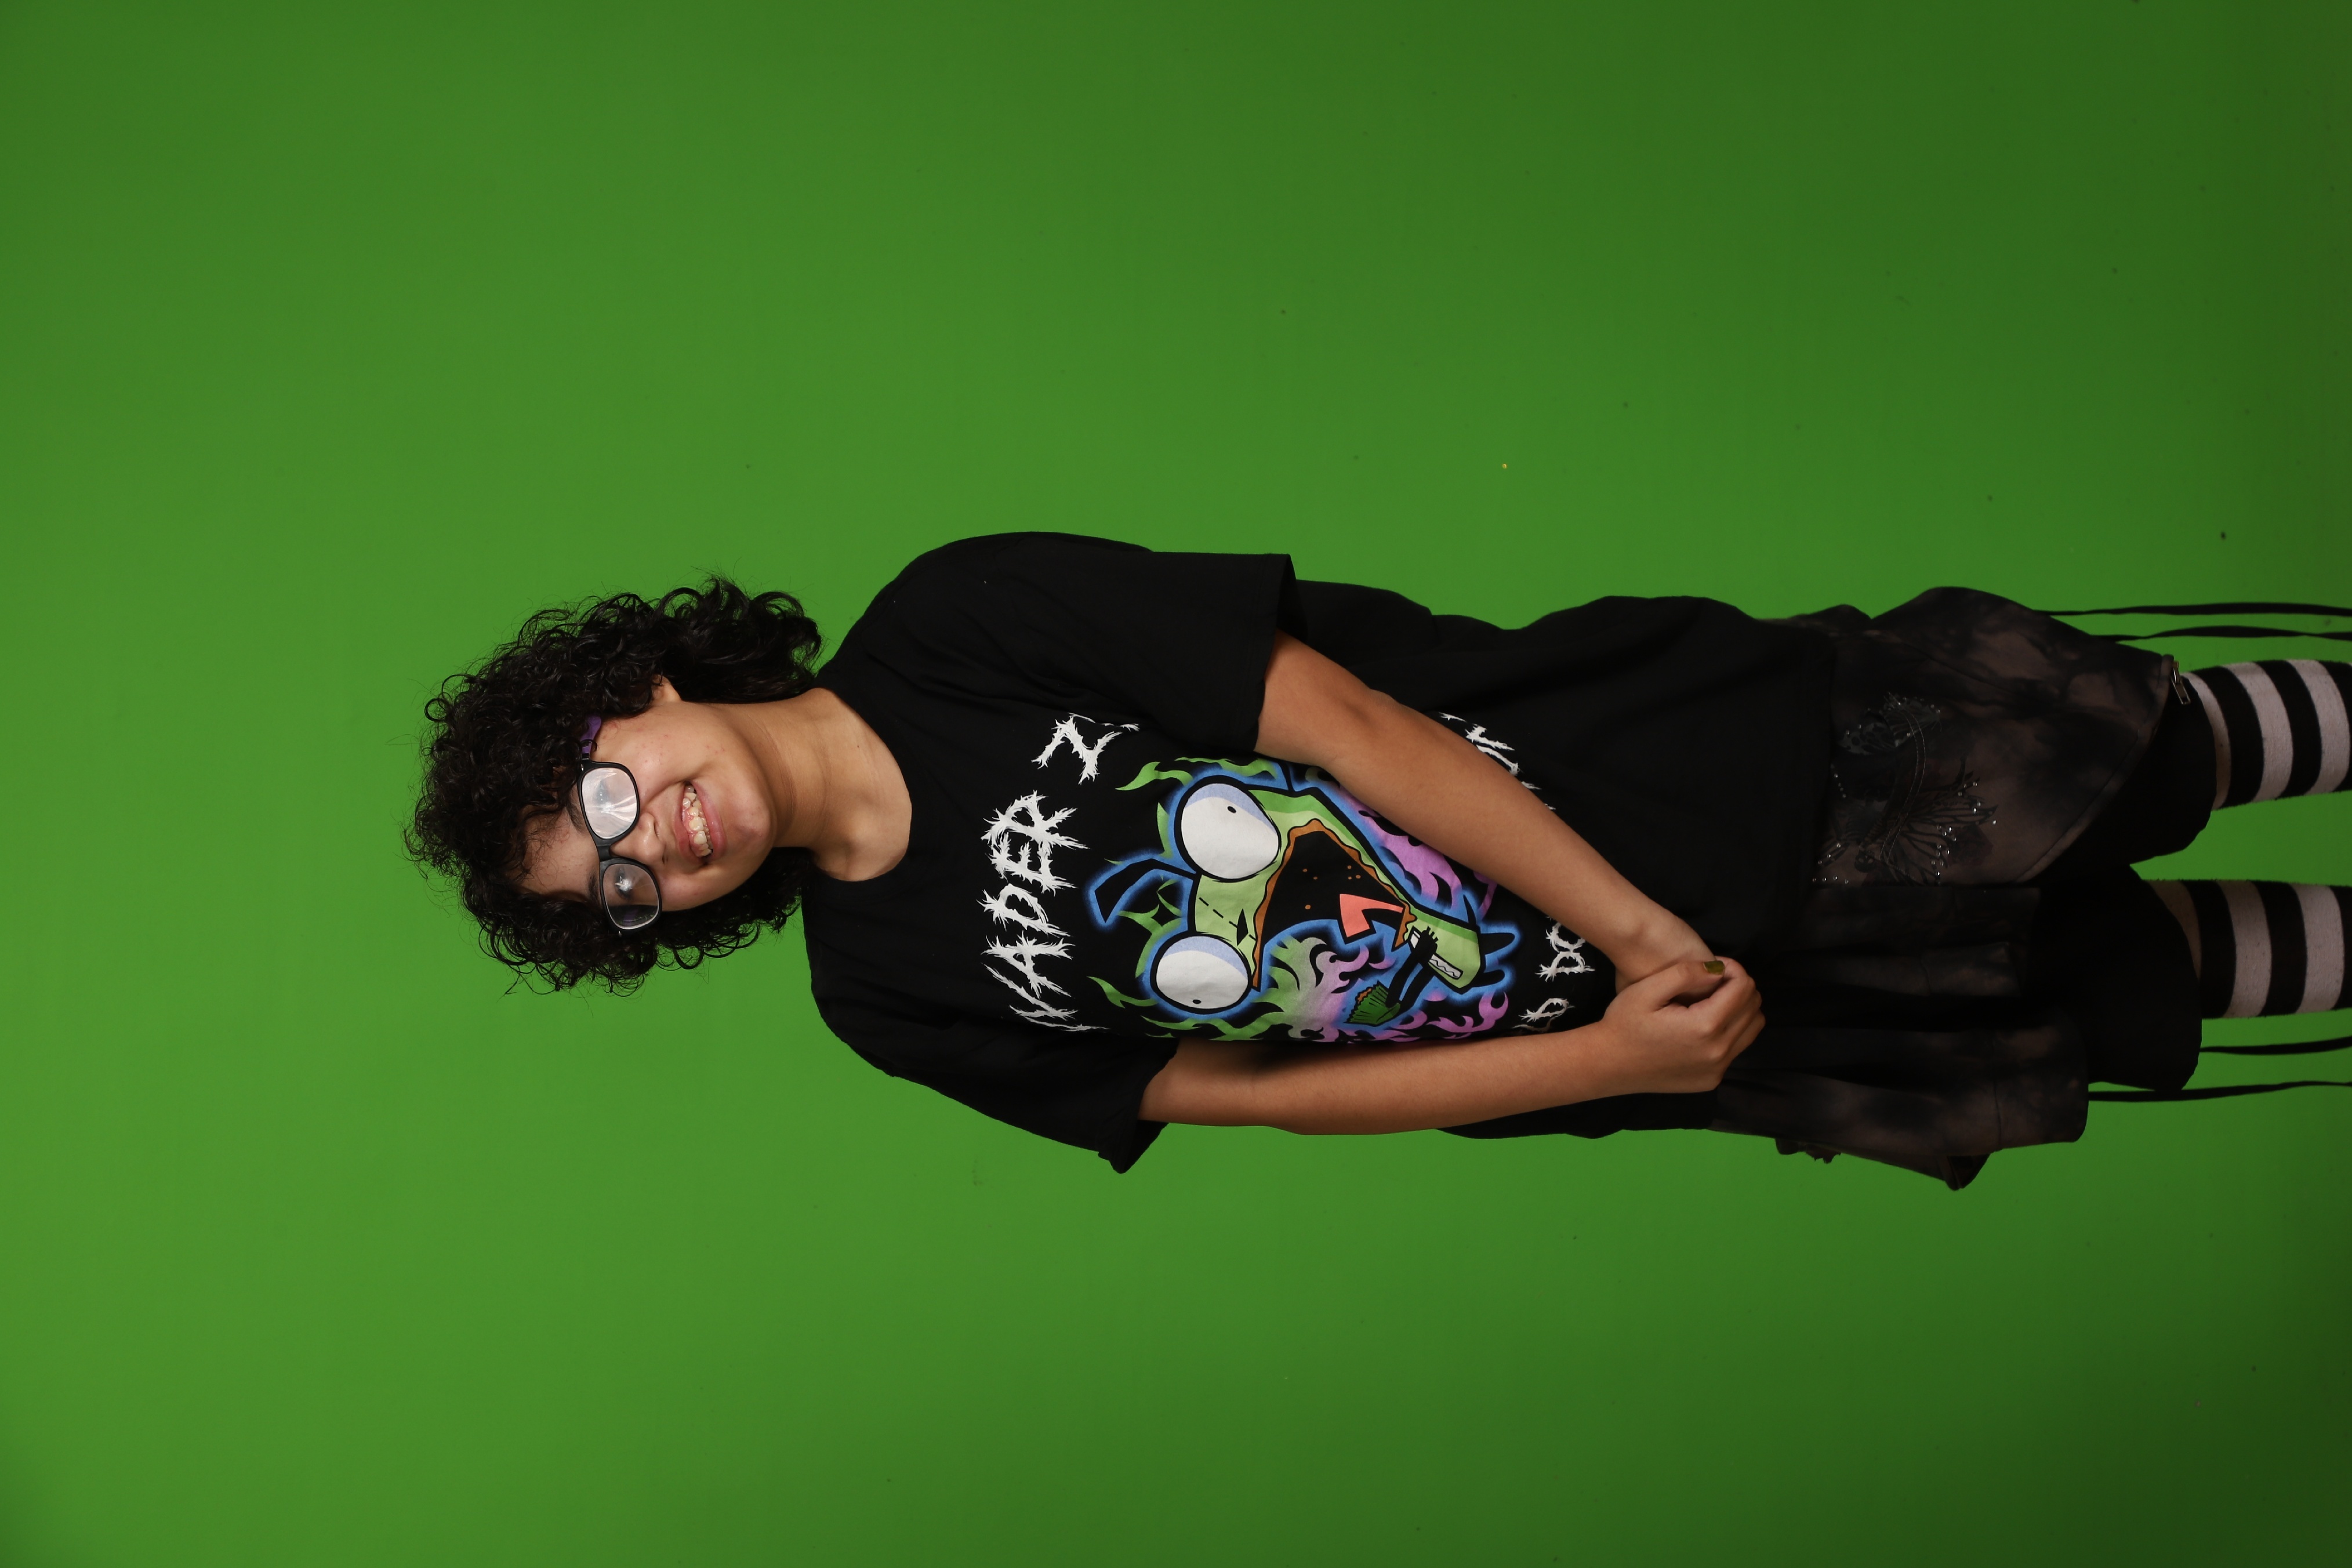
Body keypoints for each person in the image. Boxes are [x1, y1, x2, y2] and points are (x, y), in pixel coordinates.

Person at [408, 533, 2352, 1188]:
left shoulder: (954, 625)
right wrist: (1610, 1055)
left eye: (609, 803)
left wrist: (1631, 929)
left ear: (634, 693)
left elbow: (1340, 724)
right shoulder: (882, 997)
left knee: (2156, 759)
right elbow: (1258, 1094)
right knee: (2145, 974)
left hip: (1678, 787)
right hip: (1662, 1025)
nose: (656, 850)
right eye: (621, 894)